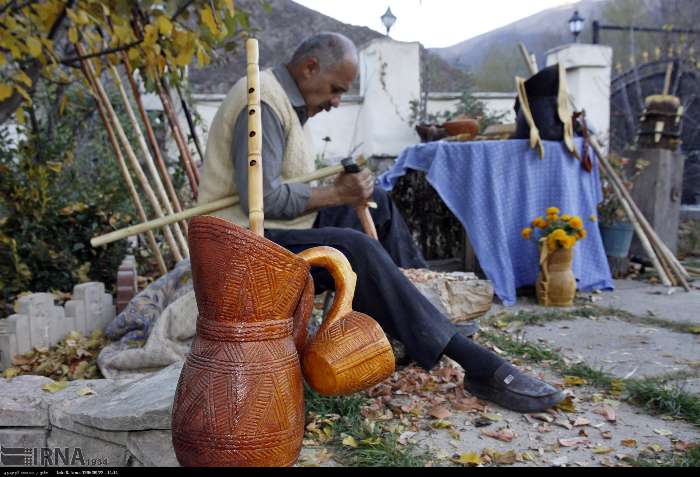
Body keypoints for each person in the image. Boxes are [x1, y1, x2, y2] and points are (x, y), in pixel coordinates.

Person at [197, 32, 564, 413]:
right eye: (336, 89)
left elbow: (284, 189)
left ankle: (426, 312)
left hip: (271, 231)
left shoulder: (287, 102)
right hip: (237, 248)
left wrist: (348, 192)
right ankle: (476, 364)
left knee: (377, 205)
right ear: (309, 68)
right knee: (352, 249)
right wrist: (338, 194)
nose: (338, 101)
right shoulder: (262, 103)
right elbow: (264, 199)